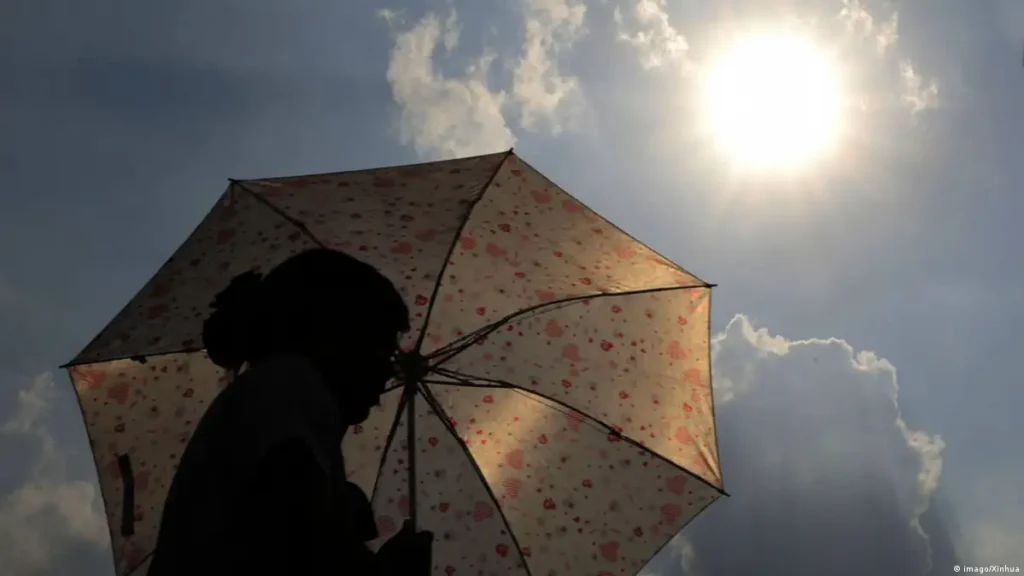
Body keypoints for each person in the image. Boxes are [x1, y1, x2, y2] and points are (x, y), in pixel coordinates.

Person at [148, 248, 433, 576]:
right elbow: (304, 545)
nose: (389, 370)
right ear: (332, 334)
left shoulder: (273, 398)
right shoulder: (290, 386)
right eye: (383, 349)